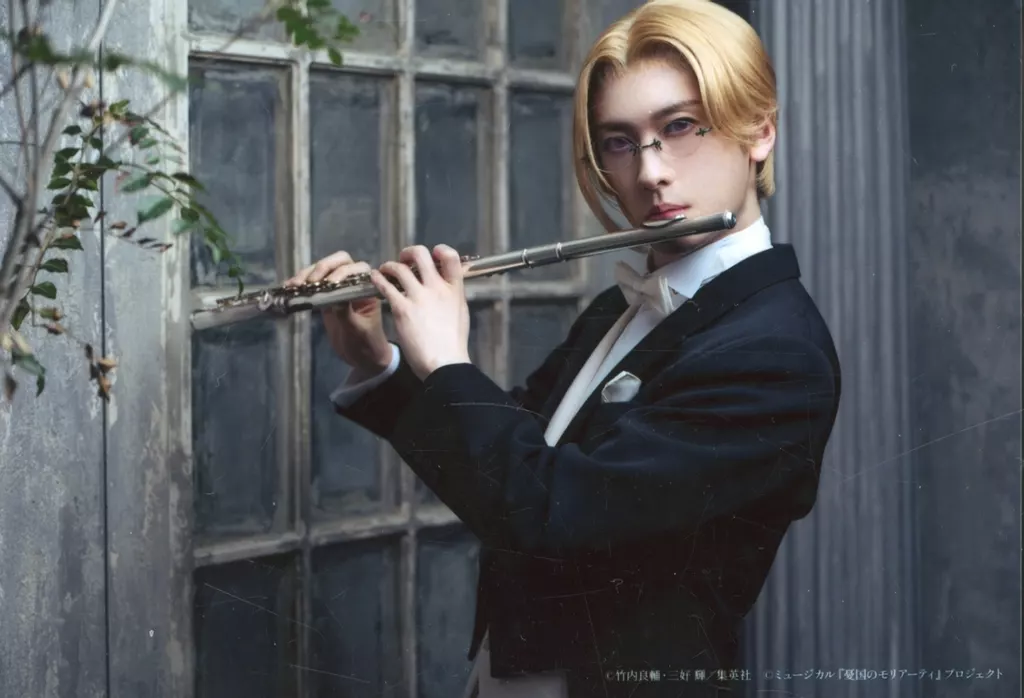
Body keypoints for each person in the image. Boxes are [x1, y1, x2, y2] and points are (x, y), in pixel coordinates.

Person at [287, 1, 841, 695]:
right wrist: (381, 363)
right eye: (620, 142)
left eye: (679, 127)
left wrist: (449, 362)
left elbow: (553, 511)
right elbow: (512, 461)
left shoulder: (776, 352)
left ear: (759, 130)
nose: (650, 172)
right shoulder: (622, 306)